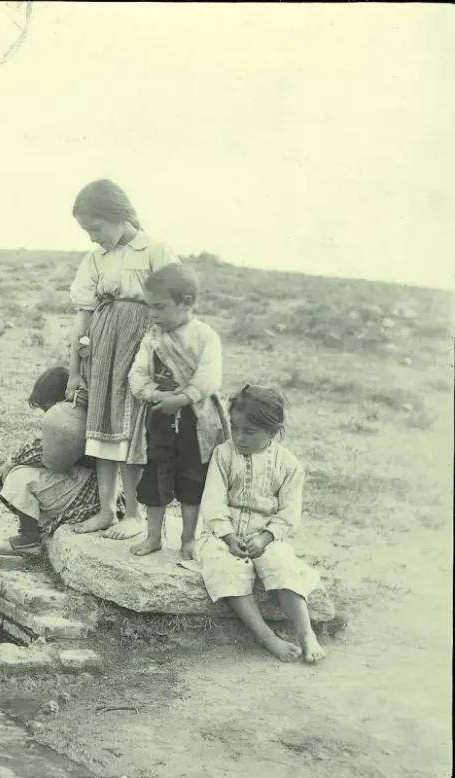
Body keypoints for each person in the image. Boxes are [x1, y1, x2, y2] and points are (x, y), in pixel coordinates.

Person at [66, 179, 180, 540]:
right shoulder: (96, 259)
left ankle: (133, 513)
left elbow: (175, 311)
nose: (92, 238)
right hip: (103, 349)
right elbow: (83, 317)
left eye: (96, 228)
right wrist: (75, 369)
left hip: (140, 350)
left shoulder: (154, 251)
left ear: (118, 216)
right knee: (103, 426)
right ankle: (106, 511)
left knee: (131, 431)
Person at [193, 385, 327, 664]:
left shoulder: (289, 466)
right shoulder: (223, 455)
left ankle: (305, 632)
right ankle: (267, 637)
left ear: (273, 432)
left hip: (266, 537)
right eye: (235, 428)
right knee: (223, 566)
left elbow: (289, 514)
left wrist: (266, 538)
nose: (239, 437)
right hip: (222, 536)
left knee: (282, 565)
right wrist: (228, 537)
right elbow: (214, 502)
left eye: (249, 432)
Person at [126, 263, 229, 559]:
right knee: (154, 475)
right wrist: (153, 394)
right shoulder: (152, 339)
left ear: (187, 302)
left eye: (160, 306)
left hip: (195, 424)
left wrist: (182, 398)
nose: (153, 314)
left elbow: (209, 378)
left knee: (192, 479)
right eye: (150, 307)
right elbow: (137, 374)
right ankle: (153, 537)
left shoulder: (204, 336)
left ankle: (187, 539)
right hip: (159, 418)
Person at [0, 366, 126, 557]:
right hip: (83, 485)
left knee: (18, 478)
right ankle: (33, 531)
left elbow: (42, 453)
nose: (46, 413)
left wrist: (11, 463)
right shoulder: (79, 412)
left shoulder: (74, 420)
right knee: (17, 475)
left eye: (47, 407)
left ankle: (29, 540)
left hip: (88, 493)